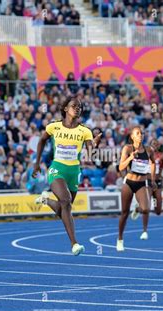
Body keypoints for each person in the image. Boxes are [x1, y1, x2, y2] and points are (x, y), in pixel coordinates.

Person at [32, 96, 101, 255]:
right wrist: (37, 163)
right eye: (74, 106)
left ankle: (46, 199)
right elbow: (41, 141)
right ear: (65, 109)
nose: (78, 108)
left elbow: (90, 154)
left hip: (74, 172)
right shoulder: (54, 127)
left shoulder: (85, 131)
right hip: (57, 168)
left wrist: (94, 145)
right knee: (66, 200)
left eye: (80, 107)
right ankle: (74, 244)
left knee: (65, 209)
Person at [117, 126, 156, 252]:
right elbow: (121, 167)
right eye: (137, 133)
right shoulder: (127, 148)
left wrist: (153, 178)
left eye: (142, 133)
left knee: (145, 208)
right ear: (132, 136)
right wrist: (130, 158)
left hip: (141, 183)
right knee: (124, 213)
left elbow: (153, 163)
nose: (140, 135)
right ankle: (120, 239)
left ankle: (138, 210)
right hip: (129, 182)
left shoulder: (149, 150)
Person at [148, 139, 163, 216]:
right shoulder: (145, 154)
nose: (155, 146)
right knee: (147, 201)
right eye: (153, 144)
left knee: (158, 211)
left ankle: (155, 203)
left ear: (159, 146)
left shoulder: (162, 155)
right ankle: (139, 208)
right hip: (148, 181)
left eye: (156, 144)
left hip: (158, 180)